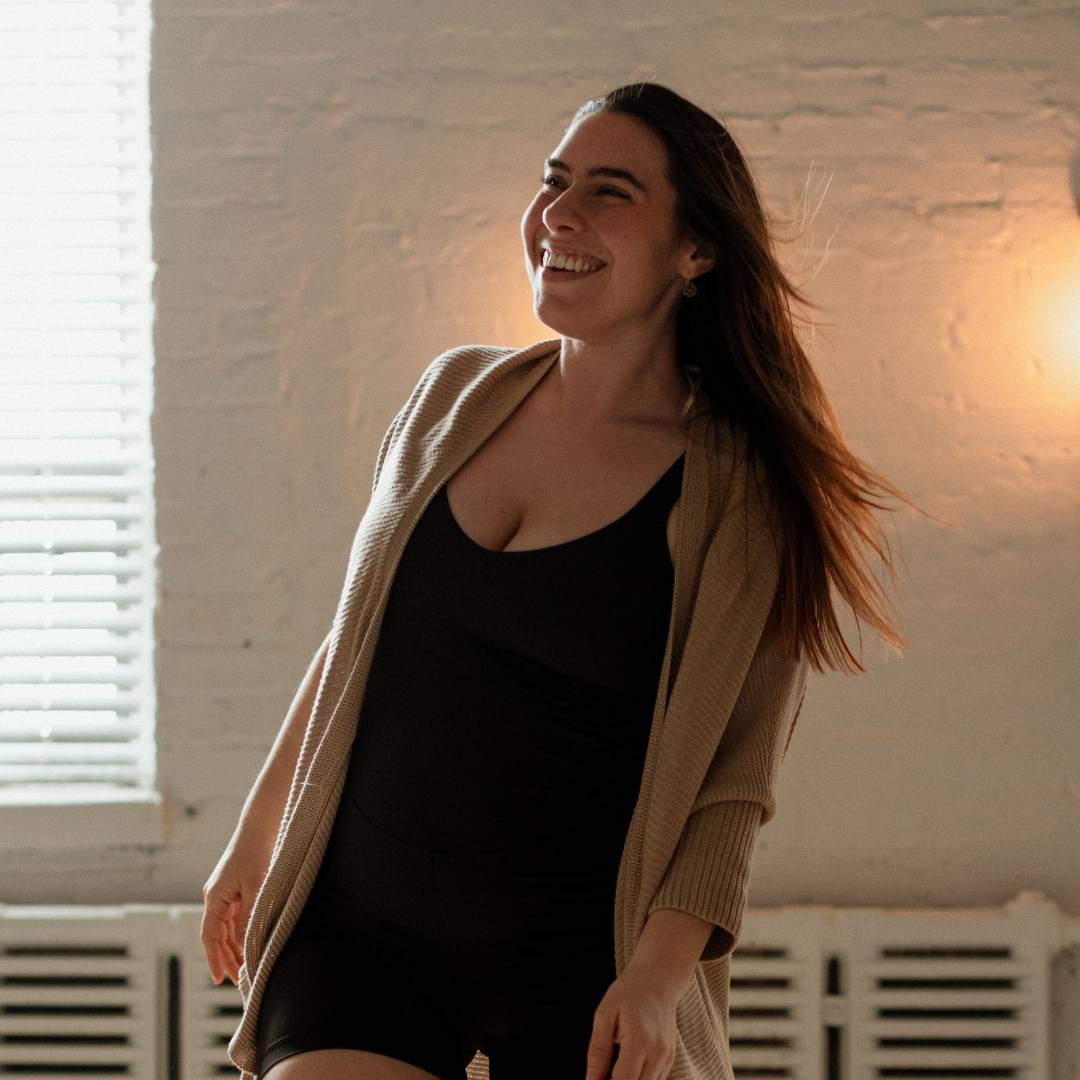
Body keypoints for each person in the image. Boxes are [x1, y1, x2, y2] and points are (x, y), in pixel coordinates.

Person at [201, 83, 904, 1080]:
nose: (560, 214)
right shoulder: (452, 395)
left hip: (577, 968)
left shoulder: (743, 495)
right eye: (553, 181)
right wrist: (254, 834)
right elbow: (359, 641)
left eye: (610, 191)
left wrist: (656, 980)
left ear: (697, 250)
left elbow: (732, 784)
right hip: (361, 936)